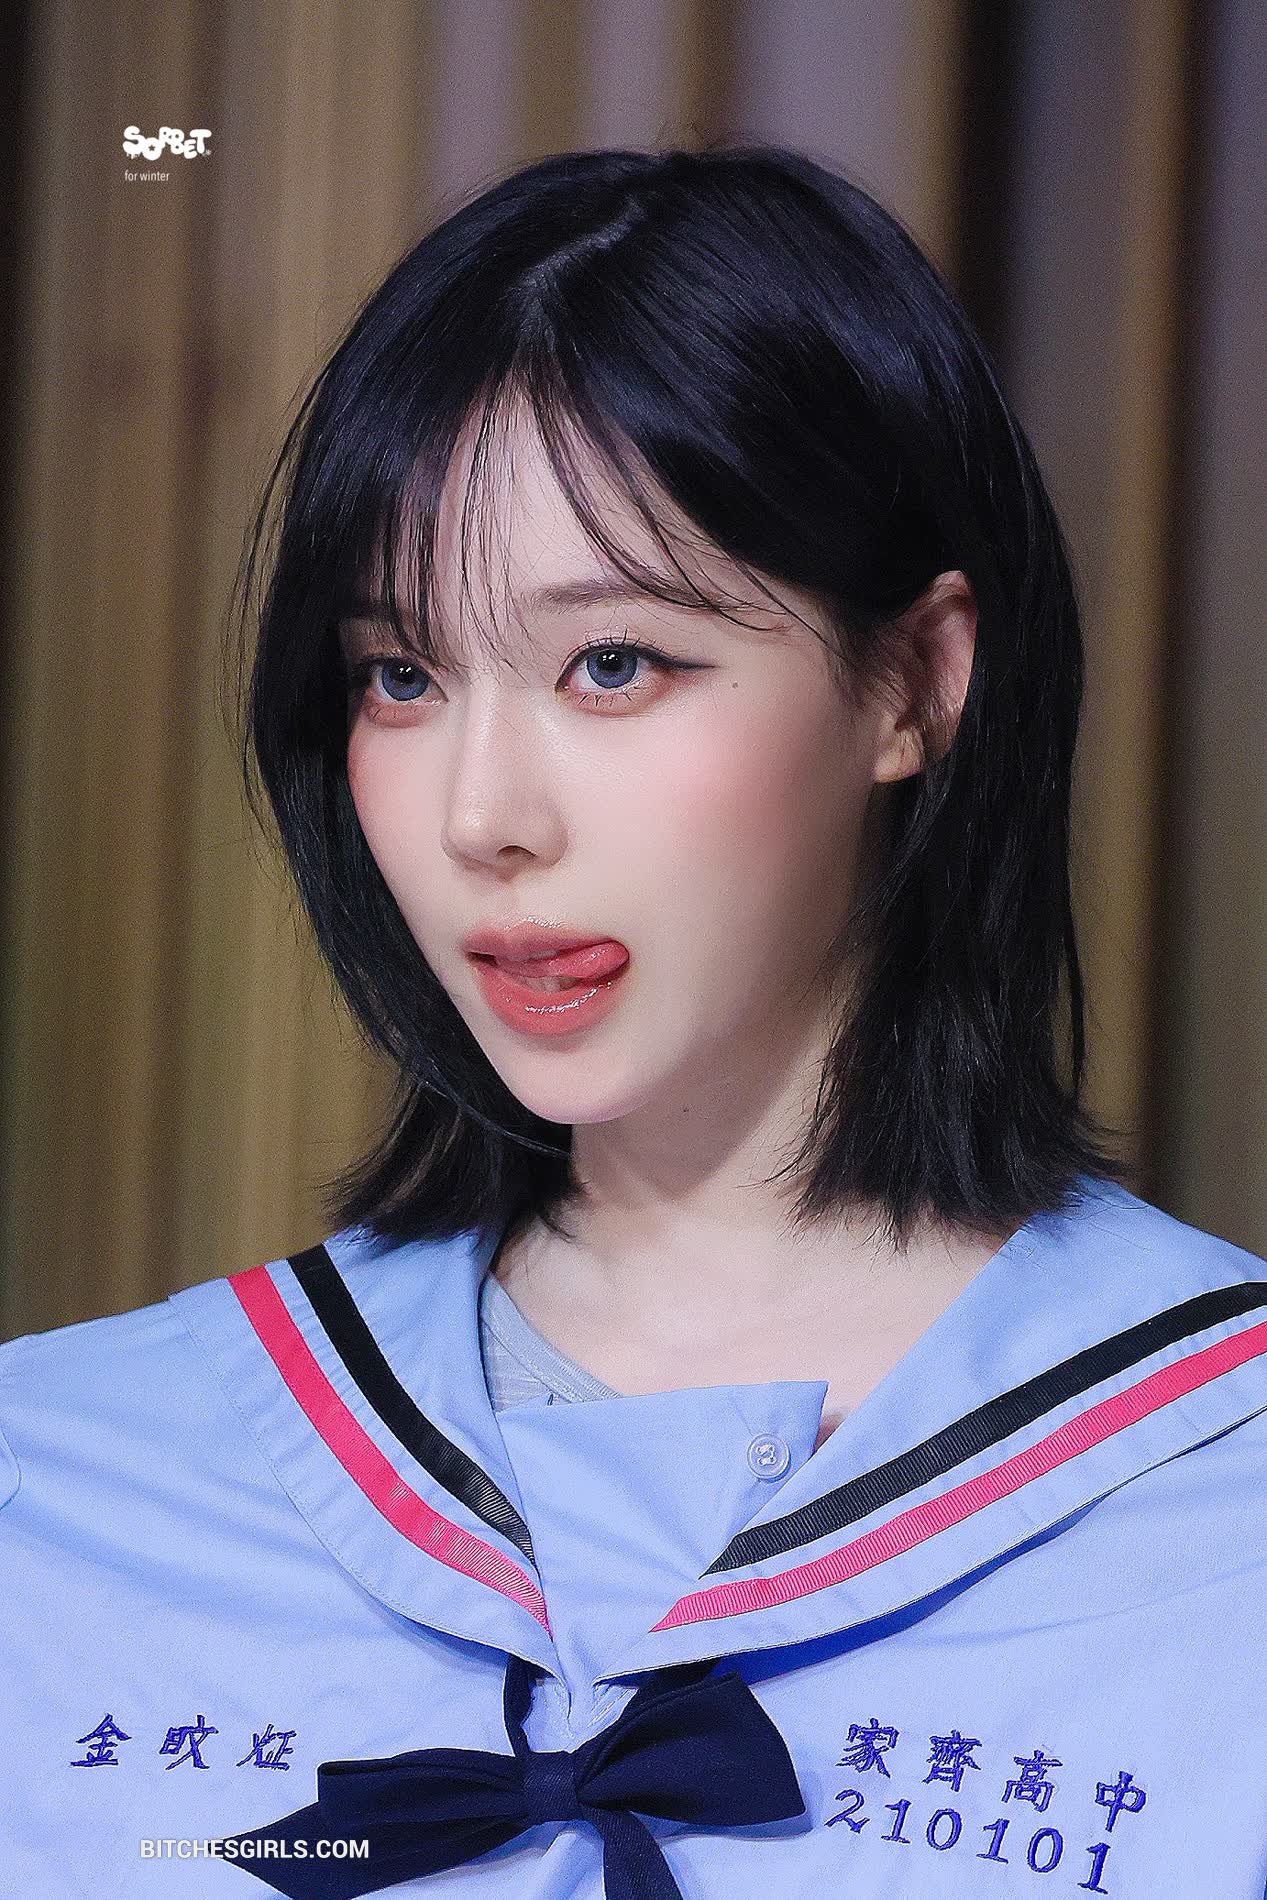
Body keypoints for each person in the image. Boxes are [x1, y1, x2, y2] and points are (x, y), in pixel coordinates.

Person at [2, 144, 1266, 1900]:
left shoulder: (1218, 1496)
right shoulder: (64, 1486)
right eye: (401, 676)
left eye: (613, 665)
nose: (483, 817)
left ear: (915, 681)